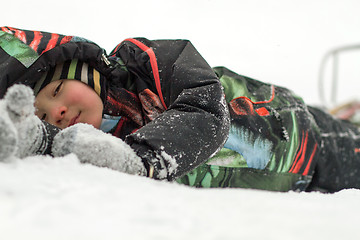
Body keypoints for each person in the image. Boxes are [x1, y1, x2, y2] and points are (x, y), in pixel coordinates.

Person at [0, 27, 359, 193]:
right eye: (42, 116)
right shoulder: (90, 145)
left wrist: (143, 159)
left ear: (82, 68)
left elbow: (203, 107)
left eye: (57, 90)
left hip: (301, 136)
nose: (58, 112)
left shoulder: (144, 62)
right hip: (290, 183)